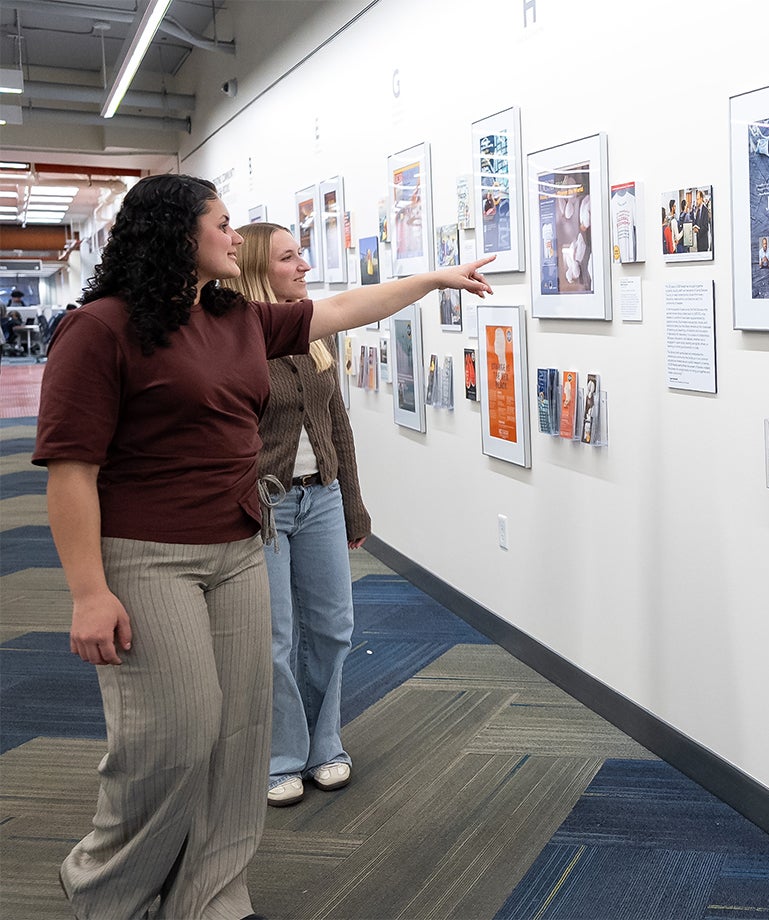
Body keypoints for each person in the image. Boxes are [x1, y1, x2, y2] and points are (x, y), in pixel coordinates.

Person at [32, 173, 493, 920]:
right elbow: (71, 472)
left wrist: (434, 278)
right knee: (174, 735)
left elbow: (342, 309)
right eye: (220, 223)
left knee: (239, 737)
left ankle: (211, 894)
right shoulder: (101, 328)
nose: (230, 235)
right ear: (178, 234)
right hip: (148, 555)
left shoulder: (237, 318)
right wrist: (89, 591)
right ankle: (106, 888)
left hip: (242, 543)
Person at [223, 222, 369, 808]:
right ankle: (281, 756)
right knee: (275, 640)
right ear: (261, 267)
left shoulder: (313, 336)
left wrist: (353, 503)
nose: (305, 266)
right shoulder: (238, 341)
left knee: (334, 630)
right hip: (265, 505)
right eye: (290, 257)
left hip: (323, 497)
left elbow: (337, 426)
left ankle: (322, 742)